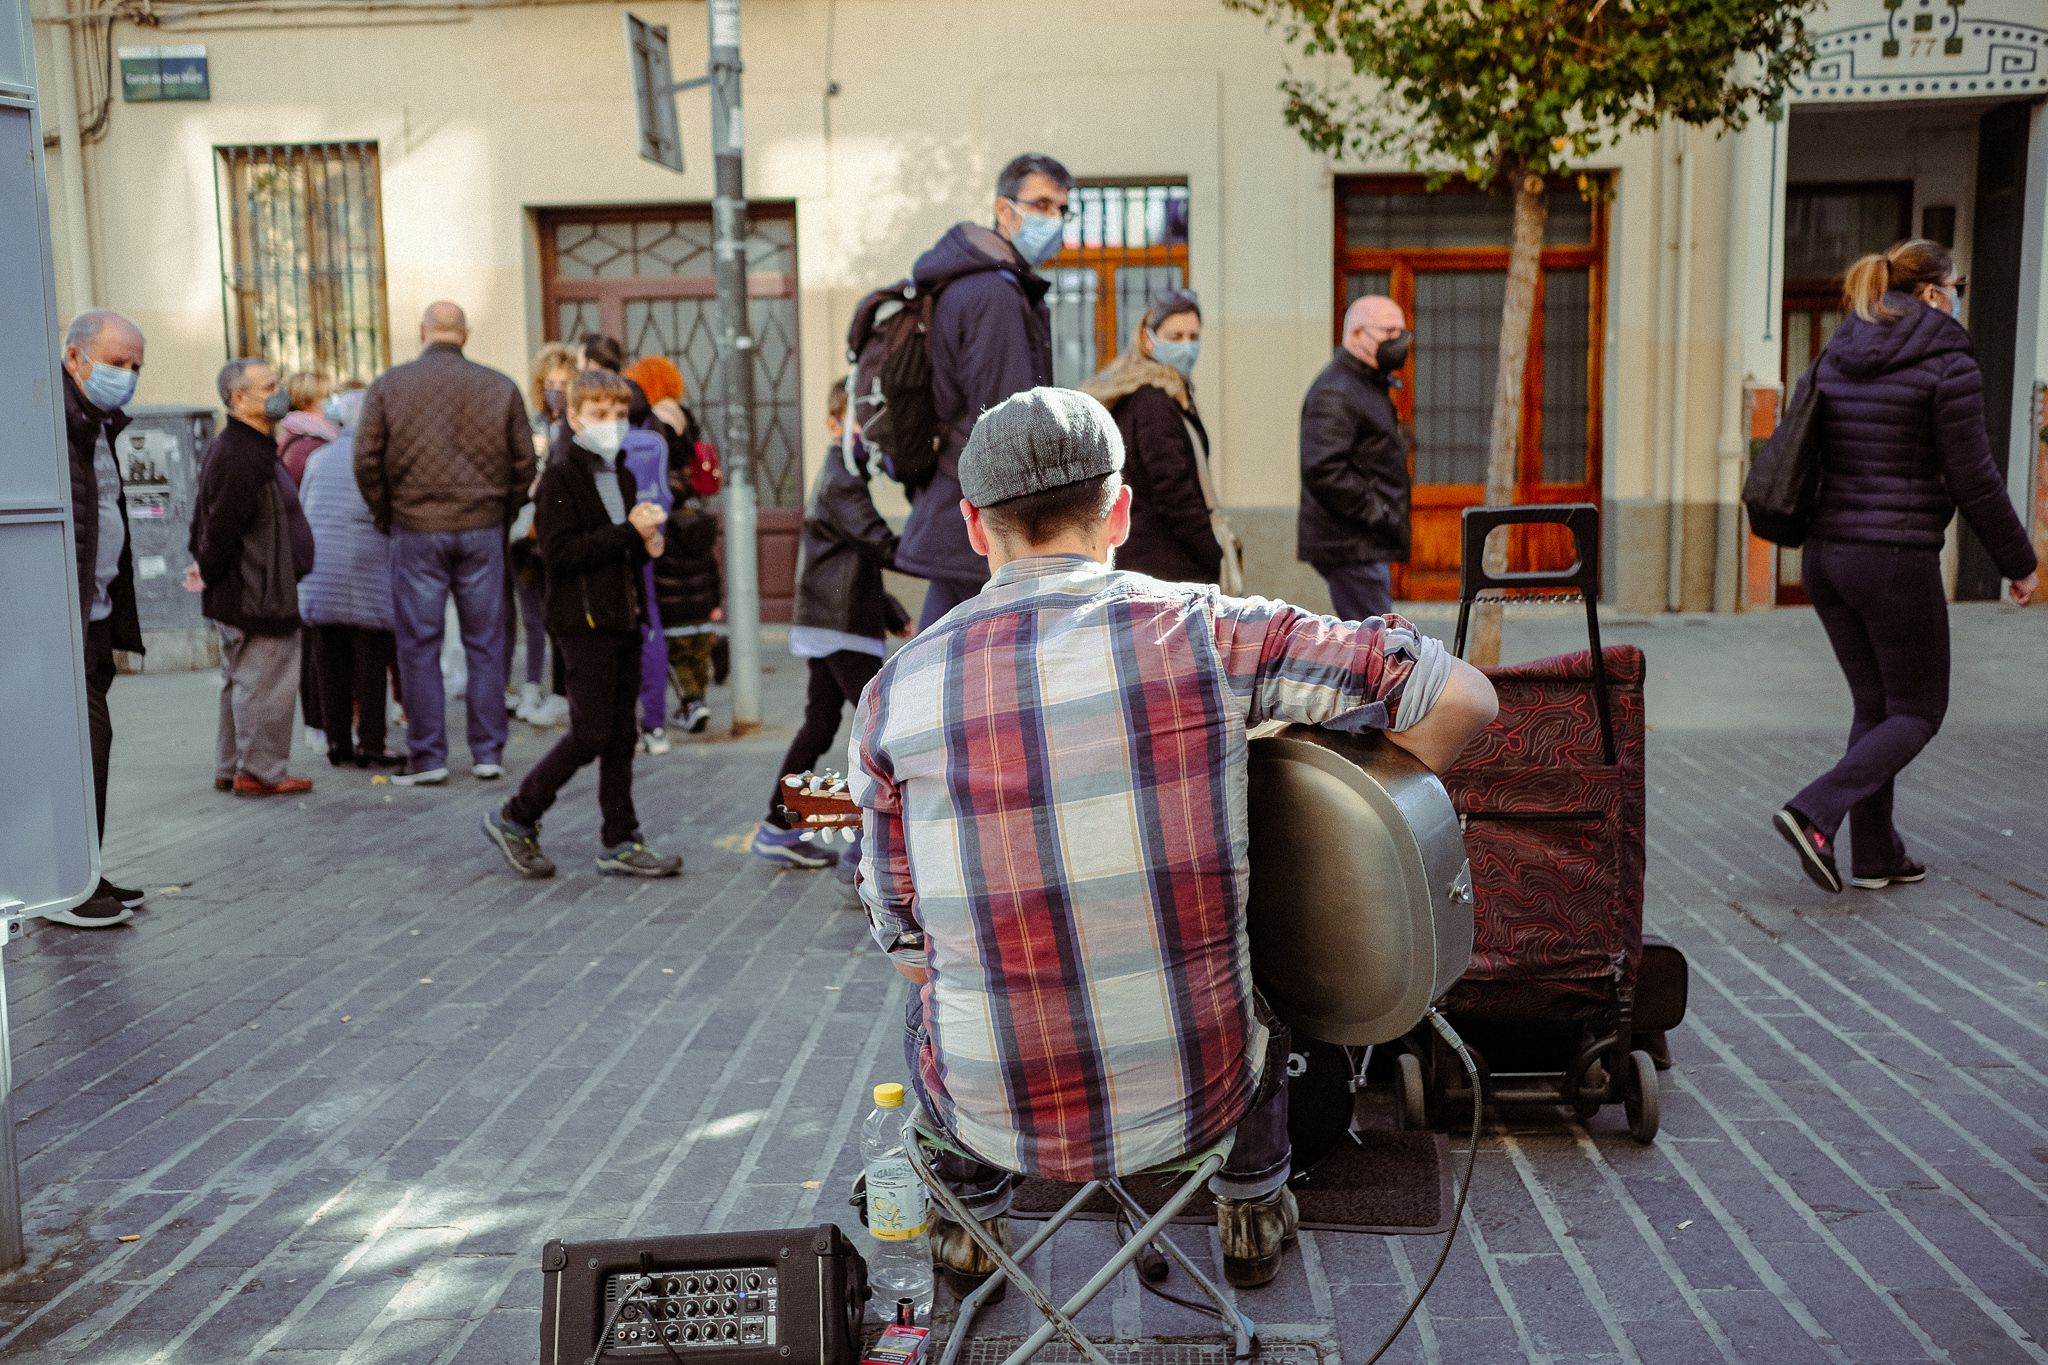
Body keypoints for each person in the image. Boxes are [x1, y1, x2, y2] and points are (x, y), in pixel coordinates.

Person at [848, 387, 1497, 1290]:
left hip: (995, 1109)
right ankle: (1251, 1206)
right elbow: (1466, 697)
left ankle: (968, 1227)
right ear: (1120, 509)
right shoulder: (1218, 633)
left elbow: (909, 944)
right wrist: (1361, 819)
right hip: (1199, 1092)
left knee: (931, 1000)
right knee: (1254, 984)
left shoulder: (895, 690)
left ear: (970, 524)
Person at [1773, 239, 2038, 894]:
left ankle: (1877, 854)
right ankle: (1814, 811)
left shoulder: (1839, 347)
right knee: (1919, 709)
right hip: (1892, 558)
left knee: (1878, 703)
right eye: (1957, 288)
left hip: (1826, 558)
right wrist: (2019, 562)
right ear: (1931, 293)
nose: (1957, 301)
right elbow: (1973, 477)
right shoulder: (1946, 358)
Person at [480, 368, 683, 881]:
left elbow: (619, 551)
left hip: (621, 618)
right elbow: (563, 554)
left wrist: (646, 545)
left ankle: (620, 838)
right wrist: (626, 533)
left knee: (620, 735)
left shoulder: (622, 474)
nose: (611, 424)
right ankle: (517, 815)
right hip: (582, 621)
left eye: (618, 414)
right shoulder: (562, 476)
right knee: (591, 733)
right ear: (574, 416)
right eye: (599, 414)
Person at [353, 301, 534, 786]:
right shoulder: (500, 386)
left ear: (422, 331)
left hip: (416, 527)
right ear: (466, 334)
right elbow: (524, 463)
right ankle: (488, 751)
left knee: (418, 645)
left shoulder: (391, 385)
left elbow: (366, 459)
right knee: (486, 643)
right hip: (482, 526)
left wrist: (387, 512)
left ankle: (429, 756)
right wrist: (504, 512)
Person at [895, 153, 1068, 630]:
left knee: (945, 659)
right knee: (956, 670)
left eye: (1060, 208)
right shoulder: (993, 296)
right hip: (986, 515)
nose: (1053, 219)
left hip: (966, 501)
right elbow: (1006, 418)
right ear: (1005, 210)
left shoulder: (980, 285)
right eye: (1042, 204)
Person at [753, 381, 908, 872]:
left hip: (831, 620)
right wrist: (943, 549)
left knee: (820, 725)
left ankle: (777, 828)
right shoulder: (842, 479)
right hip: (838, 626)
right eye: (859, 425)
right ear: (833, 425)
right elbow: (879, 543)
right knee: (878, 728)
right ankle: (868, 843)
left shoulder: (842, 476)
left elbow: (852, 559)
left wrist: (891, 612)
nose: (869, 438)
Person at [186, 359, 317, 798]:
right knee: (264, 682)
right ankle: (260, 771)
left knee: (242, 679)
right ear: (238, 398)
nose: (279, 392)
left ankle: (233, 766)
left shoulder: (244, 446)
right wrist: (208, 569)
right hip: (257, 592)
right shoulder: (242, 452)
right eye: (269, 386)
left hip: (250, 588)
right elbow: (220, 524)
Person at [58, 309, 148, 928]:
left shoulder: (96, 422)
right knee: (84, 740)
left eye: (135, 366)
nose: (127, 375)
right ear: (75, 358)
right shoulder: (52, 424)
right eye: (116, 362)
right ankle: (65, 883)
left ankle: (80, 868)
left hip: (94, 612)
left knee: (85, 743)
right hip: (58, 620)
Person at [1080, 287, 1234, 586]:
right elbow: (1174, 491)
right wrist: (1211, 552)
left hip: (1147, 558)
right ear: (1148, 340)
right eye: (1175, 337)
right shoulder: (1153, 401)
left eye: (1193, 337)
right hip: (1165, 564)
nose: (1187, 347)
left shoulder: (1154, 394)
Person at [298, 387, 402, 769]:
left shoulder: (319, 459)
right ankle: (371, 744)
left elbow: (304, 507)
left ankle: (337, 742)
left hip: (321, 573)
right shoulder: (382, 460)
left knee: (330, 663)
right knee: (371, 663)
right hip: (369, 574)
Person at [1297, 294, 1415, 621]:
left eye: (1403, 333)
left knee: (1370, 643)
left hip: (1362, 543)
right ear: (1356, 336)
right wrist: (1378, 514)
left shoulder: (1364, 384)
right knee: (1376, 646)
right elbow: (1323, 469)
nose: (1400, 341)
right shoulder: (1337, 391)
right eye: (1389, 333)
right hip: (1352, 545)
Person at [623, 353, 721, 744]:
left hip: (668, 522)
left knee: (666, 616)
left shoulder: (654, 423)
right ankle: (695, 694)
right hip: (694, 519)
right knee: (694, 607)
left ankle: (687, 700)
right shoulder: (683, 415)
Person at [513, 343, 576, 728]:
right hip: (527, 533)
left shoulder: (576, 427)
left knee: (557, 614)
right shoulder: (531, 424)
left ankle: (562, 690)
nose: (556, 390)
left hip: (557, 531)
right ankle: (532, 685)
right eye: (550, 383)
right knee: (531, 615)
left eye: (564, 383)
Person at [276, 370, 337, 488]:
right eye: (327, 396)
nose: (333, 400)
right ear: (309, 401)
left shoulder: (291, 431)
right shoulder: (311, 441)